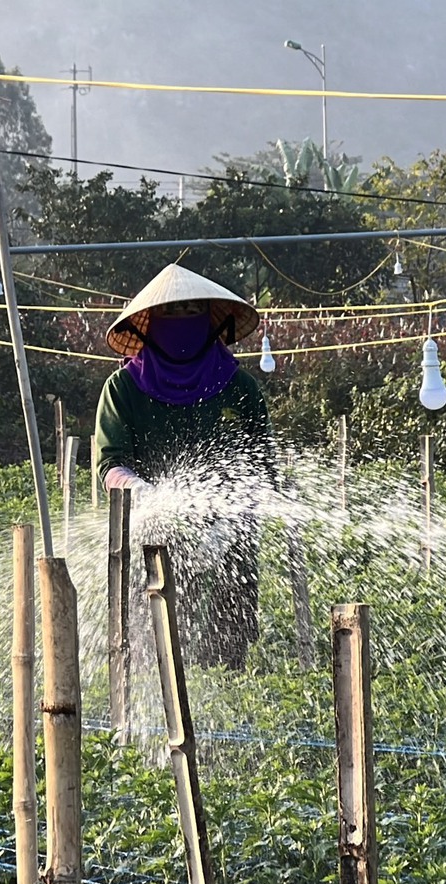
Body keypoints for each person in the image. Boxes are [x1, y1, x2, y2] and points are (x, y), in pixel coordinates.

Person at [92, 263, 275, 669]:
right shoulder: (123, 389)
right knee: (152, 640)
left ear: (210, 321)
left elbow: (261, 466)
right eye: (170, 314)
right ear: (149, 325)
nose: (180, 322)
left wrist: (234, 521)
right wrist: (144, 493)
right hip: (150, 535)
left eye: (190, 311)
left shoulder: (239, 388)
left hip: (228, 539)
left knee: (227, 650)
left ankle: (230, 678)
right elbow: (110, 463)